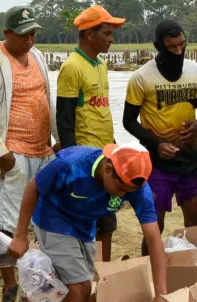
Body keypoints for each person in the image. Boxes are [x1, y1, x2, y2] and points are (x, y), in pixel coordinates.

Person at [7, 144, 170, 302]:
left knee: (78, 291)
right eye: (120, 189)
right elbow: (33, 188)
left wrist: (161, 295)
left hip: (84, 225)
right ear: (107, 169)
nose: (124, 195)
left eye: (129, 191)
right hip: (53, 217)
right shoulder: (71, 164)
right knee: (80, 288)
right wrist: (20, 235)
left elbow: (154, 239)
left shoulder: (137, 188)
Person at [0, 5, 56, 302]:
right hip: (11, 155)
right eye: (23, 35)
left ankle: (40, 286)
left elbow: (49, 99)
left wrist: (57, 139)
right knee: (6, 225)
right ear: (7, 33)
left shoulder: (38, 57)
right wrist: (1, 152)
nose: (30, 40)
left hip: (43, 151)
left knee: (43, 221)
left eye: (33, 33)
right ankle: (10, 290)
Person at [124, 20, 197, 255]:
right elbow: (129, 120)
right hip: (156, 164)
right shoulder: (141, 78)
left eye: (182, 45)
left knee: (195, 222)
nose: (178, 52)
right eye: (171, 47)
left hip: (191, 160)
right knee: (154, 226)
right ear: (158, 47)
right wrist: (156, 144)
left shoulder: (196, 71)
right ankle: (149, 274)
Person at [56, 5, 123, 262]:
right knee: (85, 218)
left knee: (107, 217)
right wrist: (73, 159)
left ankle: (103, 272)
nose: (111, 39)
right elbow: (64, 117)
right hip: (85, 156)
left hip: (105, 153)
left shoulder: (101, 64)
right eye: (106, 33)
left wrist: (115, 149)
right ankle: (85, 273)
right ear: (88, 34)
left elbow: (102, 110)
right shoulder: (72, 67)